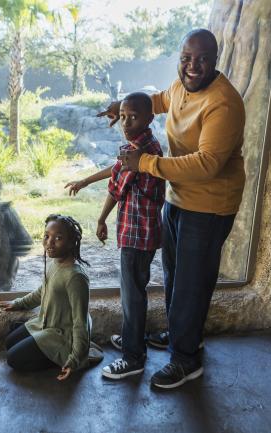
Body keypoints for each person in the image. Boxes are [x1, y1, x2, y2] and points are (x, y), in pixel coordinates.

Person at [98, 29, 246, 389]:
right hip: (179, 198)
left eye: (201, 59)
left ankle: (186, 359)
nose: (192, 66)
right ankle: (182, 334)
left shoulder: (222, 103)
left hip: (209, 206)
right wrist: (125, 107)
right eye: (186, 58)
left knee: (192, 286)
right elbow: (159, 100)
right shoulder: (181, 87)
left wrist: (145, 163)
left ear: (215, 60)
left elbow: (208, 163)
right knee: (176, 277)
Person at [95, 92, 165, 380]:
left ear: (150, 118)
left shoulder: (138, 152)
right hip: (142, 235)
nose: (126, 122)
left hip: (136, 236)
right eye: (122, 116)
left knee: (132, 297)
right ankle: (132, 337)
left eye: (133, 117)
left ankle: (133, 357)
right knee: (134, 291)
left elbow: (115, 188)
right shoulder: (148, 144)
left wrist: (101, 219)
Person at [0, 214, 91, 381]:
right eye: (47, 236)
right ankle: (45, 350)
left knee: (13, 360)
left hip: (61, 334)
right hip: (45, 323)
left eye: (58, 238)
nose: (49, 243)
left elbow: (80, 322)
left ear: (71, 242)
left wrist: (75, 360)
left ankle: (63, 358)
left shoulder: (76, 277)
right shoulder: (55, 262)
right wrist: (18, 304)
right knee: (9, 342)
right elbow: (42, 291)